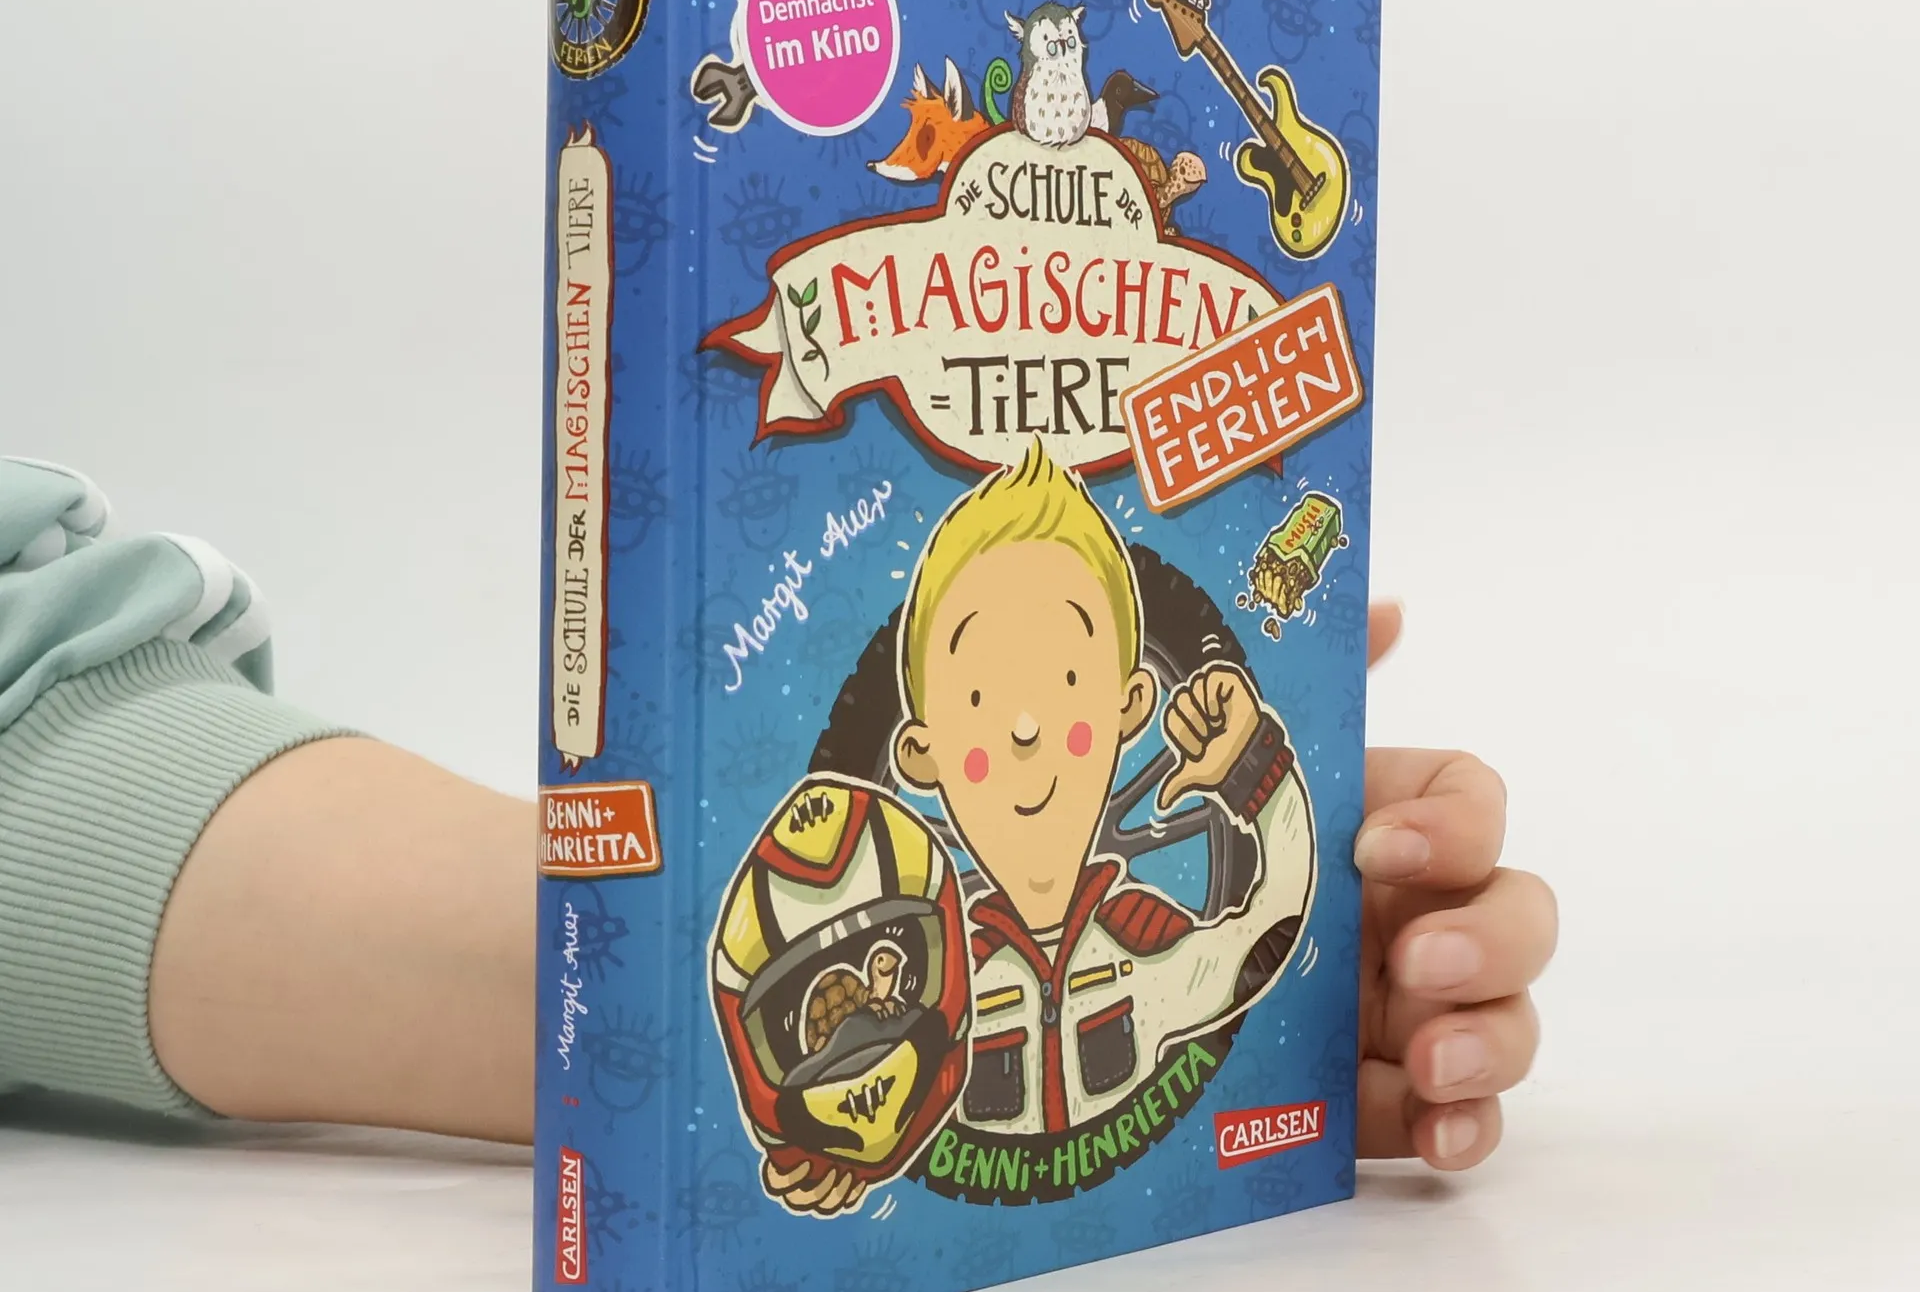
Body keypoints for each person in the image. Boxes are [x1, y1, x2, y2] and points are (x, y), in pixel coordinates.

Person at [0, 452, 1555, 1170]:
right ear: (923, 754)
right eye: (988, 700)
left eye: (1071, 693)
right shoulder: (914, 944)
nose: (1030, 734)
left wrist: (1271, 785)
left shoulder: (1138, 933)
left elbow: (1261, 925)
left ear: (1135, 709)